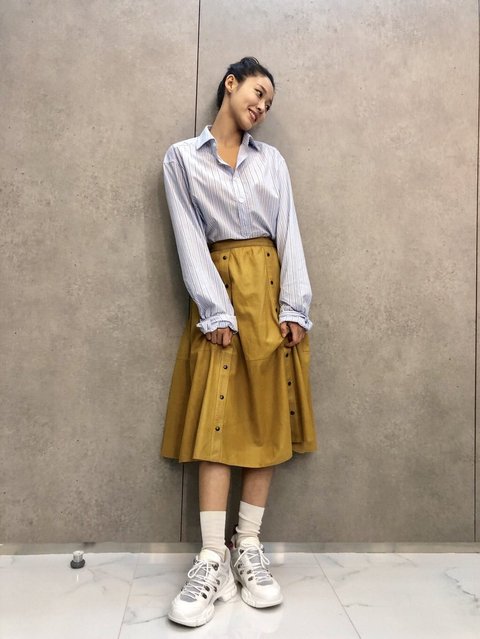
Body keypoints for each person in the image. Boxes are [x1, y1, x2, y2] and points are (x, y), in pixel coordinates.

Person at [160, 56, 317, 628]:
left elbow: (288, 230)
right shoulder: (182, 158)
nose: (262, 106)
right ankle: (212, 559)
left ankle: (247, 546)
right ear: (231, 84)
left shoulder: (271, 161)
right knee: (217, 424)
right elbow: (188, 237)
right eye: (258, 92)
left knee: (266, 422)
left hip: (271, 295)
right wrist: (215, 310)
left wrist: (294, 305)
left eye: (269, 102)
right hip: (219, 298)